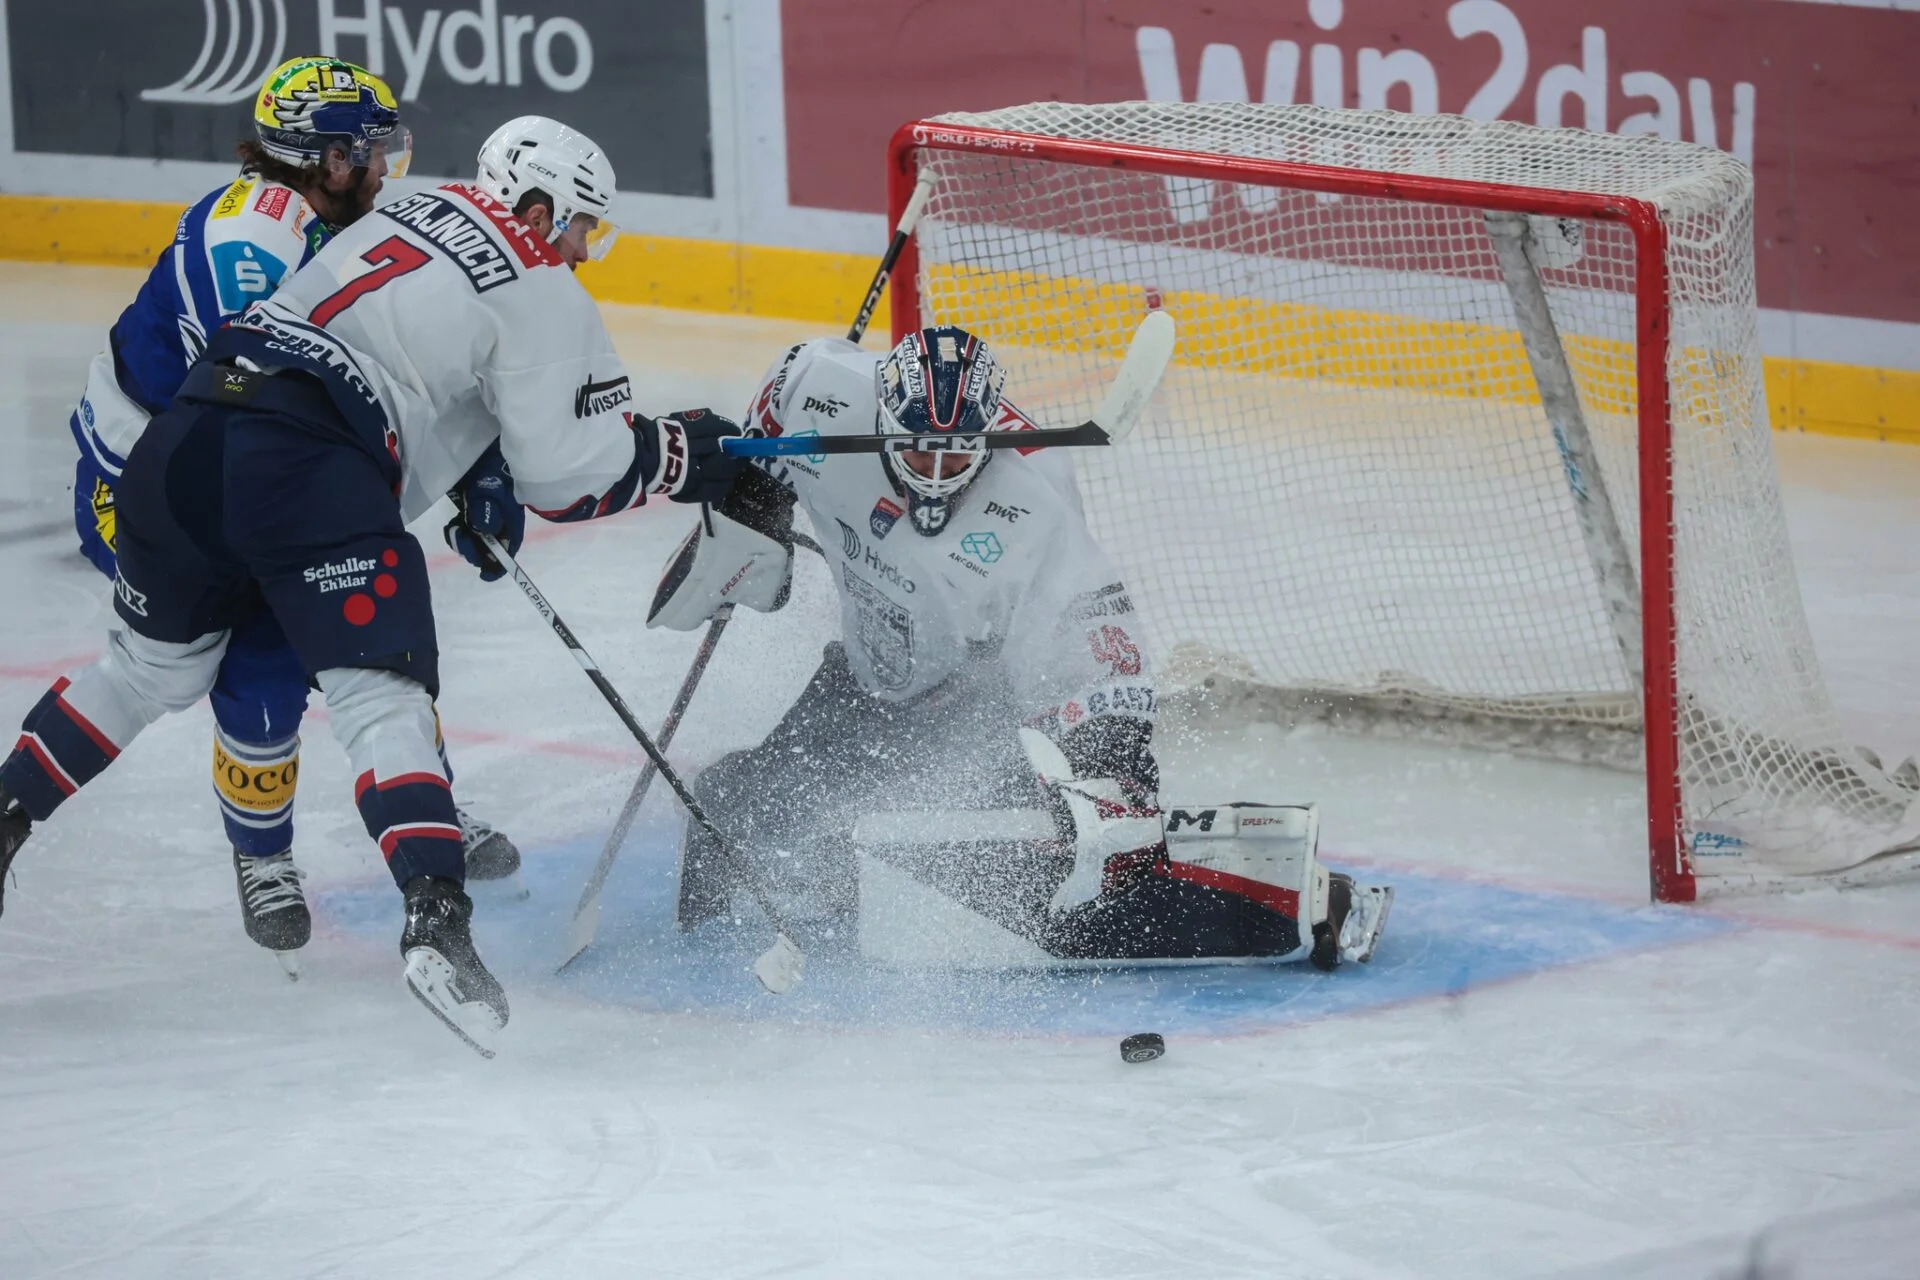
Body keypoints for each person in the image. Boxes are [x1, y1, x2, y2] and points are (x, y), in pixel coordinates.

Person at [0, 115, 746, 1055]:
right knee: (379, 697)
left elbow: (420, 356)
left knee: (143, 673)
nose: (582, 252)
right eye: (581, 227)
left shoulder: (412, 209)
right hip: (310, 463)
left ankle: (7, 812)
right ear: (539, 204)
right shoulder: (544, 284)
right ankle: (437, 917)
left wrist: (481, 466)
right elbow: (571, 472)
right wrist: (683, 452)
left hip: (190, 432)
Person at [647, 327, 1392, 968]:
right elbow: (768, 420)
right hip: (862, 686)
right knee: (729, 811)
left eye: (956, 454)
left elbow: (1100, 651)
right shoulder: (819, 389)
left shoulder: (1033, 498)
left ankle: (1308, 895)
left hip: (978, 721)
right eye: (917, 451)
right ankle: (740, 943)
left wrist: (1108, 767)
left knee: (1081, 872)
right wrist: (756, 503)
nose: (936, 473)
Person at [62, 56, 520, 979]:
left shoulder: (334, 217)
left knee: (372, 639)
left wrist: (481, 455)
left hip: (246, 462)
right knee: (264, 658)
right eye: (369, 153)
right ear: (324, 160)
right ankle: (263, 853)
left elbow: (399, 351)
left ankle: (417, 804)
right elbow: (271, 417)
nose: (388, 170)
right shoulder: (249, 249)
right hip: (156, 480)